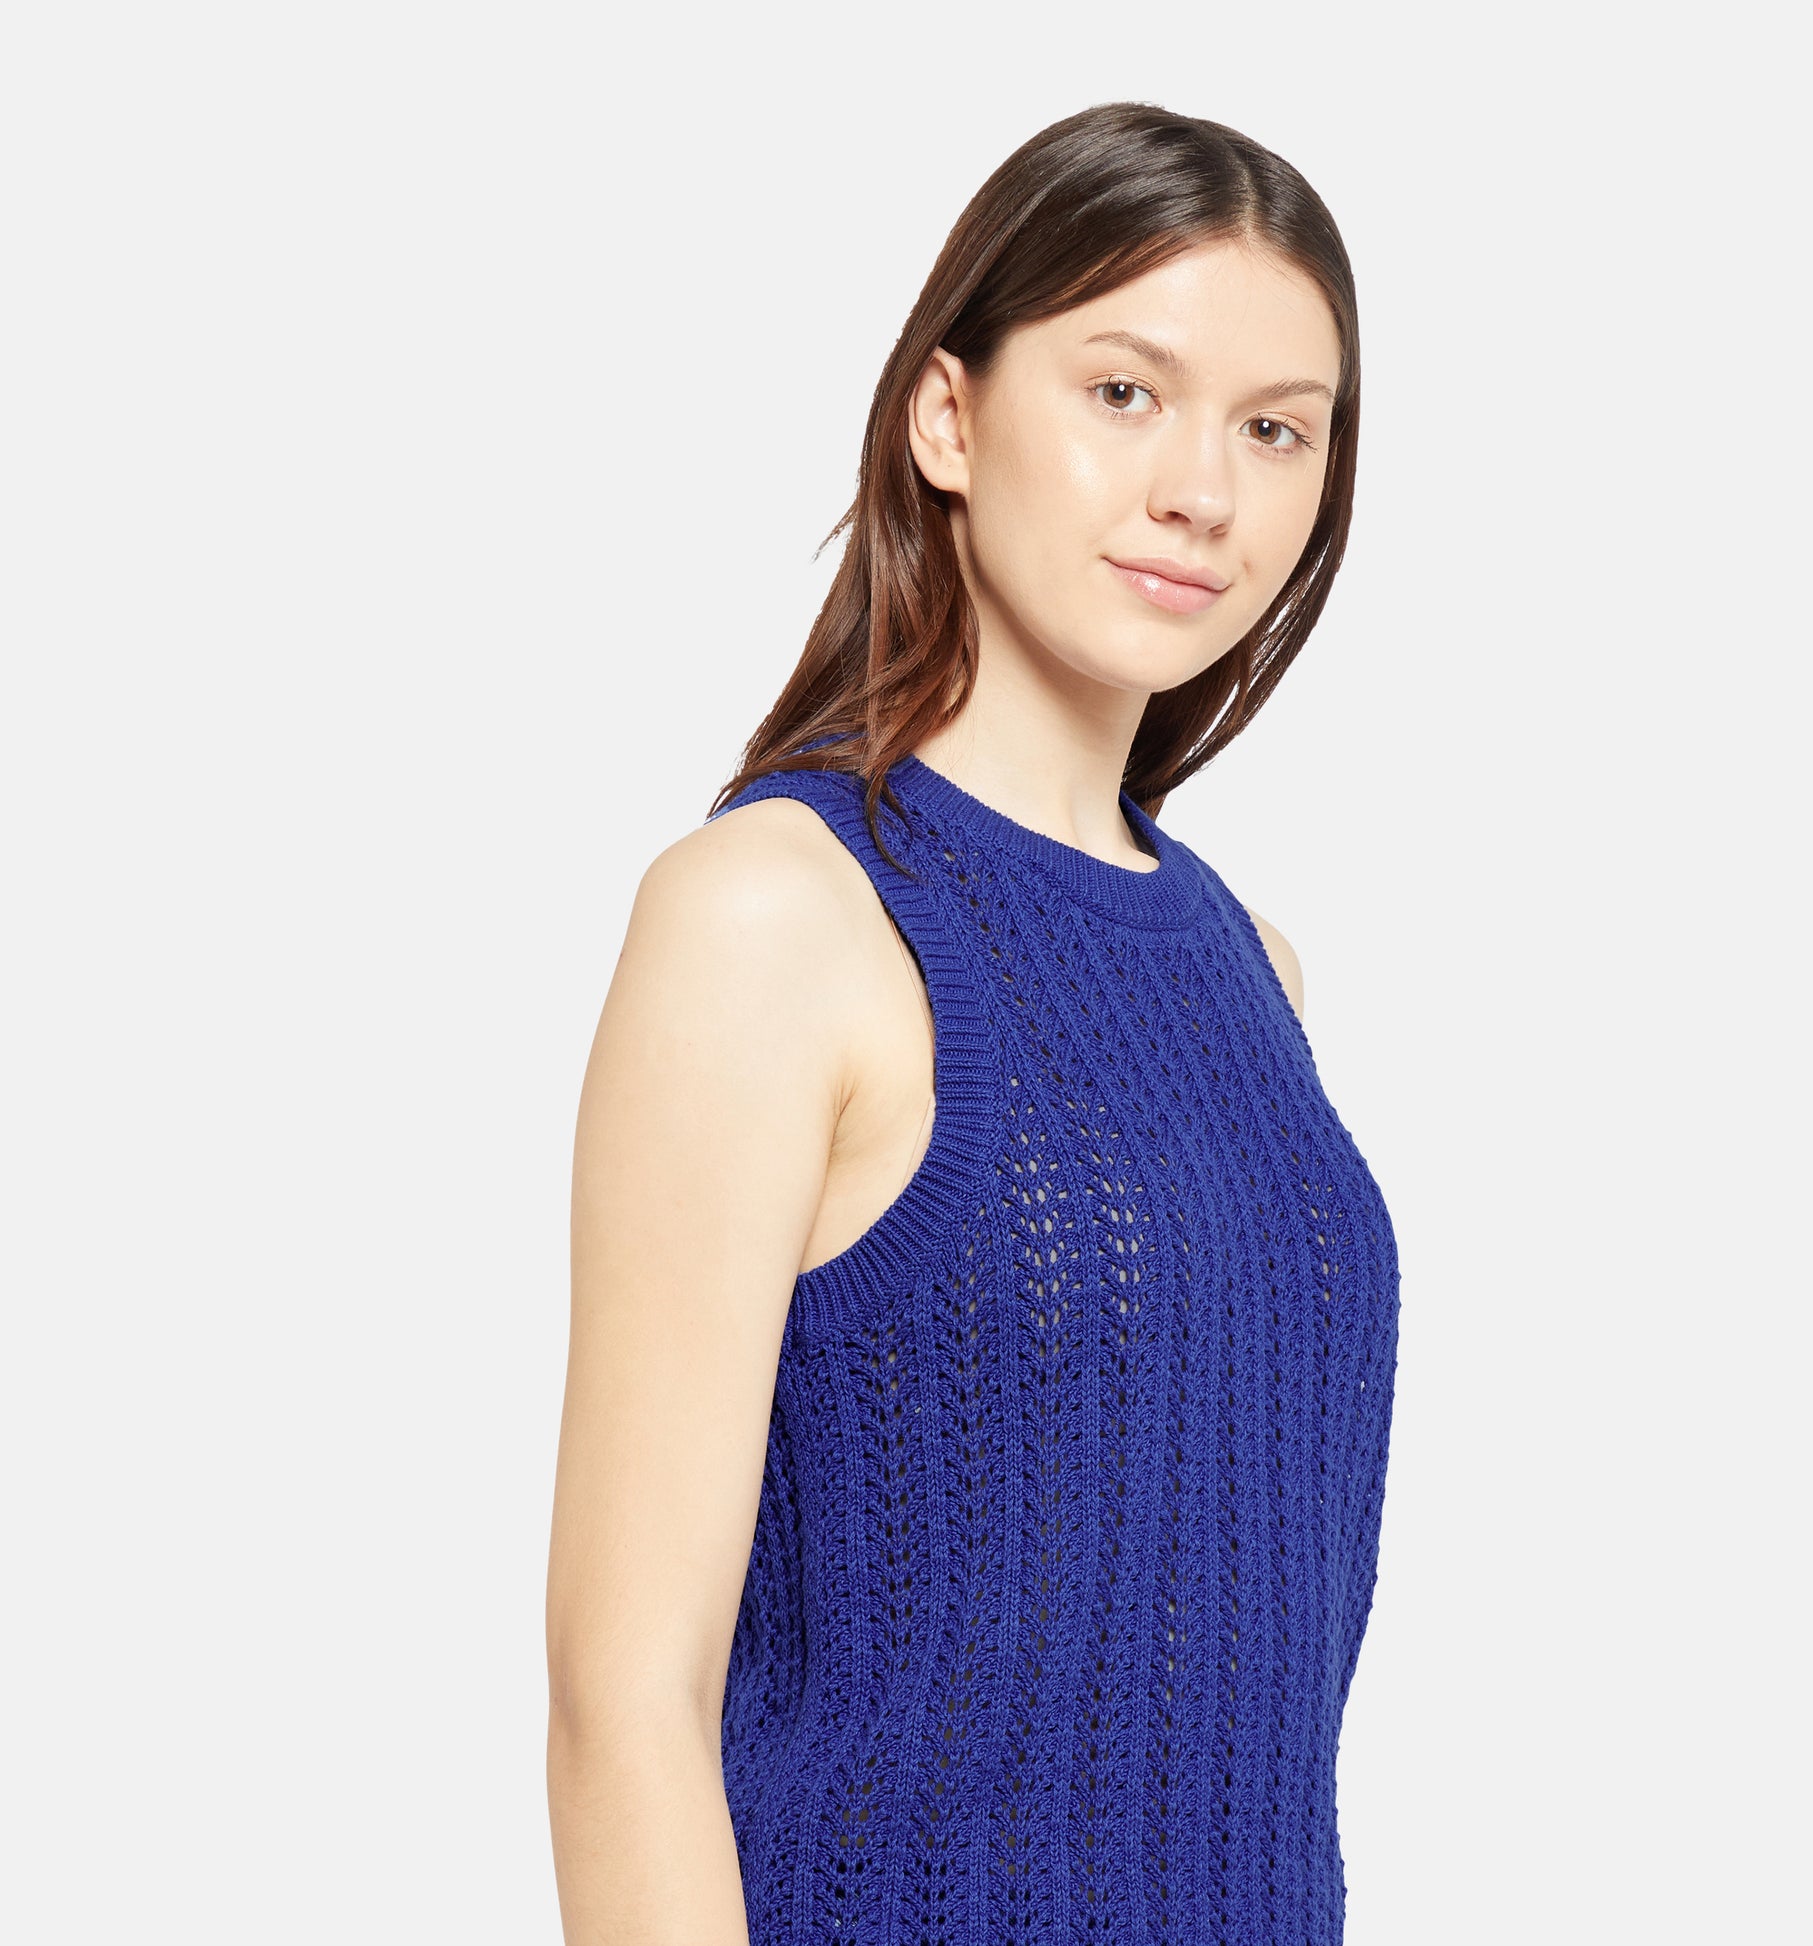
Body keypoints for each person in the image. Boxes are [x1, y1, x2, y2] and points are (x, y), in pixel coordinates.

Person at [545, 100, 1403, 1946]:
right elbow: (625, 1703)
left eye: (1275, 429)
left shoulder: (1253, 967)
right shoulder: (777, 916)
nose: (1202, 489)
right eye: (1123, 392)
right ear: (947, 415)